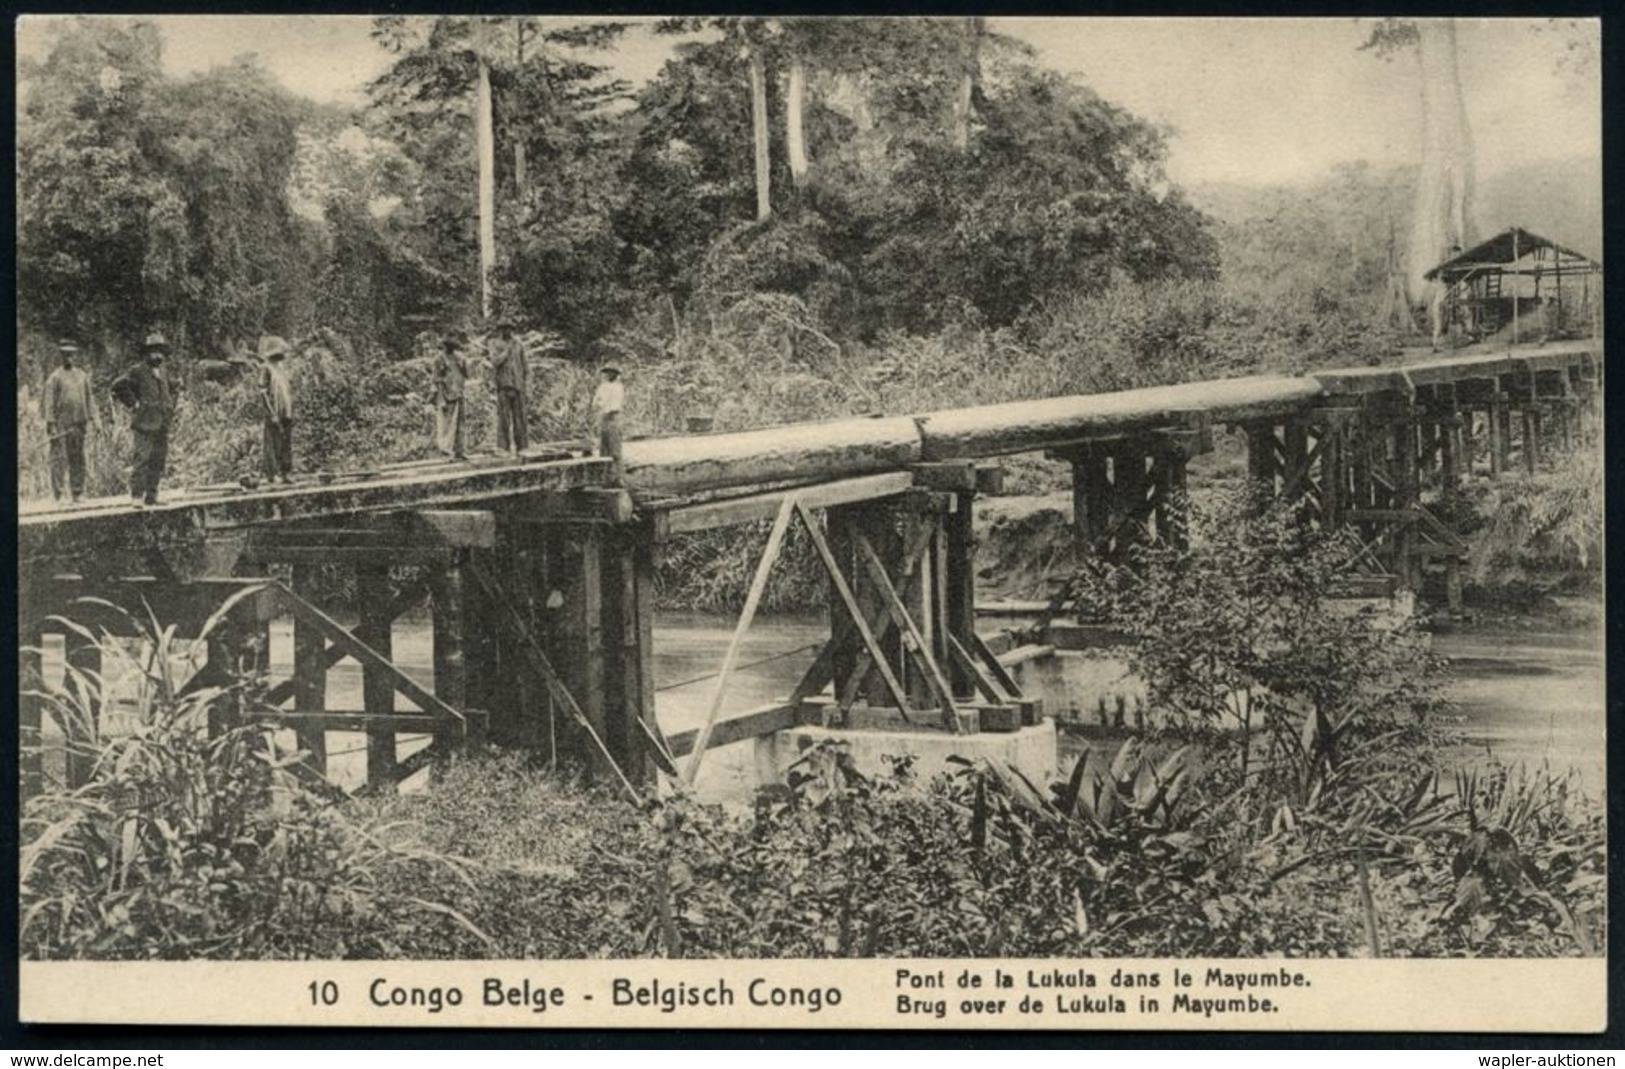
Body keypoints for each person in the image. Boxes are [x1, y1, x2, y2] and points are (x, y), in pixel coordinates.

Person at [111, 331, 176, 506]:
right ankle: (137, 496)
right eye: (154, 351)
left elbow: (166, 390)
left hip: (162, 422)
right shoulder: (137, 371)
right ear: (147, 353)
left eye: (160, 351)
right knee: (142, 459)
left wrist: (171, 400)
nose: (158, 355)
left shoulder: (162, 371)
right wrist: (134, 404)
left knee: (158, 460)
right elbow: (118, 386)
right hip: (145, 423)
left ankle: (152, 495)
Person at [44, 338, 99, 503]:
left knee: (78, 458)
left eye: (72, 355)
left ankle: (77, 493)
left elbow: (90, 400)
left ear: (76, 356)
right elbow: (49, 404)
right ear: (61, 356)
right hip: (61, 425)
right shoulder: (54, 378)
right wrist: (52, 425)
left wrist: (96, 420)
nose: (69, 358)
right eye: (66, 355)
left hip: (79, 424)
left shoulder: (82, 376)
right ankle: (58, 495)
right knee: (59, 459)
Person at [258, 335, 295, 483]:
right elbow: (263, 392)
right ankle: (272, 473)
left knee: (286, 441)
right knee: (272, 442)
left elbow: (287, 390)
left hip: (285, 410)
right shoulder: (266, 368)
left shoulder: (281, 369)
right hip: (274, 410)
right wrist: (271, 412)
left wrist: (289, 410)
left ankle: (286, 471)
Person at [489, 315, 529, 453]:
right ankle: (503, 447)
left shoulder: (519, 344)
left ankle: (522, 447)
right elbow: (494, 362)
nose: (506, 331)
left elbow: (525, 366)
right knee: (504, 418)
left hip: (518, 385)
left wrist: (525, 385)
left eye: (509, 328)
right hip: (503, 385)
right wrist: (506, 352)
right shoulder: (494, 344)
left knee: (520, 418)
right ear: (500, 330)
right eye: (503, 328)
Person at [433, 333, 468, 459]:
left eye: (452, 346)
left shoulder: (460, 358)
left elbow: (466, 374)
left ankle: (460, 450)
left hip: (459, 392)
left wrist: (461, 367)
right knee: (446, 424)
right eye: (448, 346)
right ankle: (447, 451)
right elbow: (436, 379)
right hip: (446, 394)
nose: (450, 349)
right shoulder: (439, 359)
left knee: (460, 423)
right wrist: (441, 395)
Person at [591, 364, 625, 484]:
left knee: (615, 449)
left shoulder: (618, 387)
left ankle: (618, 478)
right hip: (604, 417)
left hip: (614, 417)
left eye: (612, 373)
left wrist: (602, 404)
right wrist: (600, 406)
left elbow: (614, 403)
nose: (610, 375)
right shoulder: (602, 387)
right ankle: (605, 478)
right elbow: (595, 403)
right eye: (608, 373)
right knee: (604, 448)